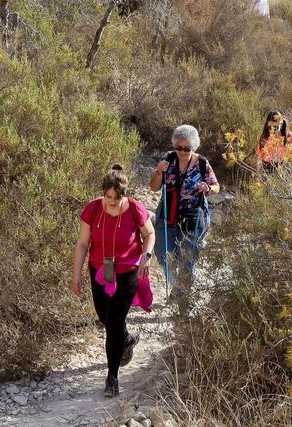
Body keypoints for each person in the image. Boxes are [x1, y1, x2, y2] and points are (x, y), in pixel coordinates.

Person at [70, 165, 156, 398]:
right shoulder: (93, 209)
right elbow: (82, 244)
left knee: (114, 322)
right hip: (100, 270)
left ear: (124, 195)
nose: (112, 202)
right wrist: (76, 275)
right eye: (108, 197)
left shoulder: (135, 208)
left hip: (127, 271)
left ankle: (112, 377)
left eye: (116, 199)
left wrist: (146, 257)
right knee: (104, 318)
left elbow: (149, 234)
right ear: (103, 194)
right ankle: (127, 339)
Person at [148, 125, 219, 294]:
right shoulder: (168, 159)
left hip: (193, 217)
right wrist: (158, 172)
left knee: (188, 259)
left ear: (193, 147)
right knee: (164, 254)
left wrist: (207, 188)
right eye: (178, 147)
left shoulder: (202, 163)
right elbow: (153, 188)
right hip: (168, 215)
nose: (182, 151)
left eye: (186, 148)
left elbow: (216, 186)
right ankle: (177, 286)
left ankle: (183, 300)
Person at [256, 110, 292, 177]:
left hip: (285, 169)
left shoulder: (289, 137)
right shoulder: (265, 137)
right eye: (270, 127)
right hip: (267, 169)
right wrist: (258, 174)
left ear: (281, 124)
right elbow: (259, 157)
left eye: (275, 127)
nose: (272, 129)